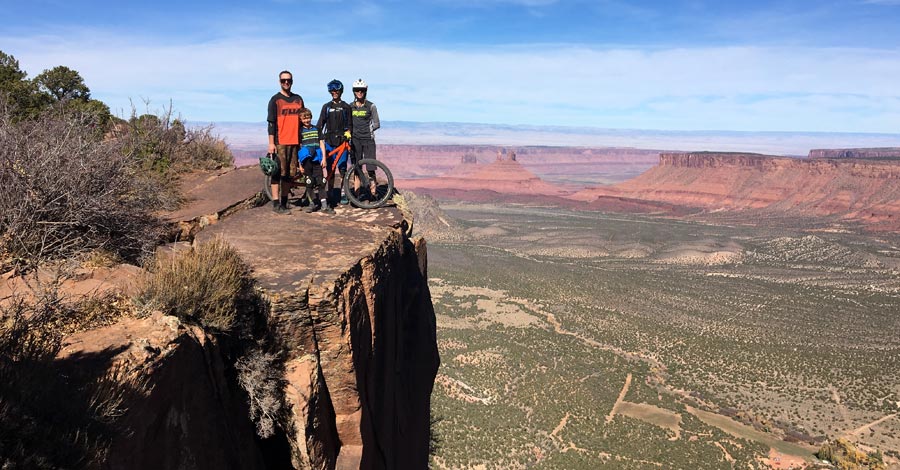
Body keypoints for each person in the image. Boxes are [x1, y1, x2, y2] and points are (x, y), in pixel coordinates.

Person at [267, 70, 304, 214]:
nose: (286, 82)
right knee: (277, 173)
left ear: (292, 81)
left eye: (288, 80)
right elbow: (271, 123)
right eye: (283, 80)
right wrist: (271, 143)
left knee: (290, 174)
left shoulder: (298, 99)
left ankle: (284, 202)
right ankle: (276, 204)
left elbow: (303, 120)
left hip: (295, 141)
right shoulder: (275, 100)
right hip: (280, 141)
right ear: (279, 82)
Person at [317, 79, 352, 212]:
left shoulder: (346, 107)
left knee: (342, 169)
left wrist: (348, 133)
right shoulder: (326, 107)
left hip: (342, 142)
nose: (334, 92)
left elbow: (350, 124)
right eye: (332, 90)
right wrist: (317, 137)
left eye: (336, 89)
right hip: (329, 142)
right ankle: (330, 193)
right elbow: (321, 124)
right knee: (330, 170)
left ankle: (343, 193)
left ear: (341, 91)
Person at [350, 78, 380, 194]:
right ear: (354, 91)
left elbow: (377, 123)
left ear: (365, 91)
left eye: (362, 90)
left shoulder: (371, 106)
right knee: (357, 168)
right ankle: (357, 195)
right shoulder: (350, 106)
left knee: (371, 168)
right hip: (355, 140)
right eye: (357, 90)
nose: (360, 92)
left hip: (368, 140)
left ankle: (373, 194)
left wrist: (368, 130)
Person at [297, 108, 325, 213]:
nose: (306, 120)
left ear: (311, 117)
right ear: (300, 120)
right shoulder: (300, 131)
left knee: (321, 181)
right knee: (309, 182)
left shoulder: (317, 129)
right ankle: (312, 203)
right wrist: (300, 165)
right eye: (304, 119)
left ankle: (324, 205)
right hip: (306, 160)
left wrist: (324, 158)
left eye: (308, 118)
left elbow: (321, 143)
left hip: (317, 159)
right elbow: (299, 148)